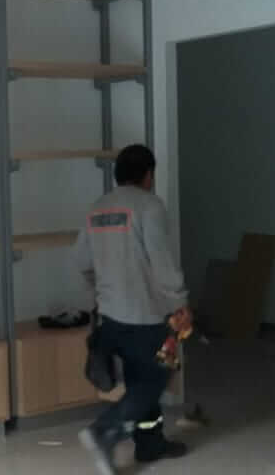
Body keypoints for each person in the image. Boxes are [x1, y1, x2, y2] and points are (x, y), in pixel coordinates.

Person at [74, 144, 190, 475]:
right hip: (148, 317)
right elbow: (162, 262)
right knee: (155, 378)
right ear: (148, 175)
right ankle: (104, 431)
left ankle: (150, 444)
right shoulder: (149, 206)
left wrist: (99, 296)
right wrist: (180, 303)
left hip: (111, 317)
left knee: (140, 380)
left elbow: (82, 261)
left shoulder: (98, 208)